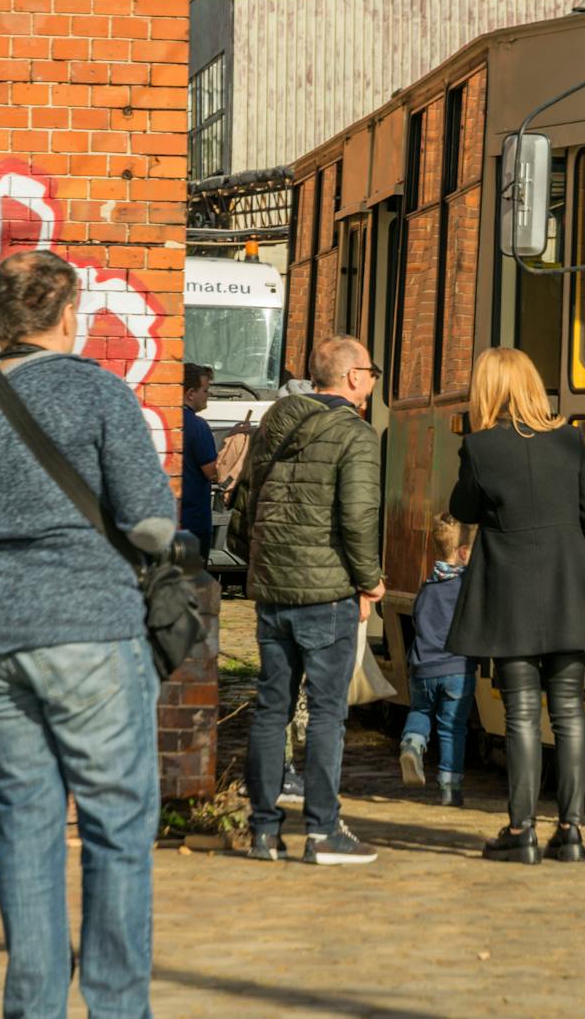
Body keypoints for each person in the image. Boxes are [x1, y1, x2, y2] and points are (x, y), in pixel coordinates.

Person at [0, 249, 176, 1018]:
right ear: (68, 315)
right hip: (91, 634)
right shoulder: (101, 393)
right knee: (117, 825)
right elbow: (151, 526)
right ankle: (117, 1009)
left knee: (25, 827)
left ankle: (34, 1007)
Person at [447, 347, 585, 865]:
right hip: (569, 591)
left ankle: (522, 831)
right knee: (569, 712)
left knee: (520, 714)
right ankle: (573, 830)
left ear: (488, 391)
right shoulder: (569, 440)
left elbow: (462, 509)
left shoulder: (480, 447)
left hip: (511, 595)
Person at [228, 334, 384, 865]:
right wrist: (371, 580)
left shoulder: (276, 421)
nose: (372, 381)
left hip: (273, 588)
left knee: (271, 709)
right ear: (353, 377)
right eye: (371, 371)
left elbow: (247, 497)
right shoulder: (355, 435)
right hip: (326, 593)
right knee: (325, 714)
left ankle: (264, 832)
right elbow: (357, 518)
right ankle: (322, 832)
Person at [398, 514, 478, 807]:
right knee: (452, 728)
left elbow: (418, 620)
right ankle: (449, 788)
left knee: (420, 711)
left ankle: (412, 743)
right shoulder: (467, 588)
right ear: (464, 552)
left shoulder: (427, 587)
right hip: (457, 669)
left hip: (422, 668)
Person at [181, 362, 220, 561]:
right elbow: (212, 472)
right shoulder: (198, 426)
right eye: (205, 390)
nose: (208, 395)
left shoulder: (165, 421)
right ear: (190, 394)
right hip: (194, 521)